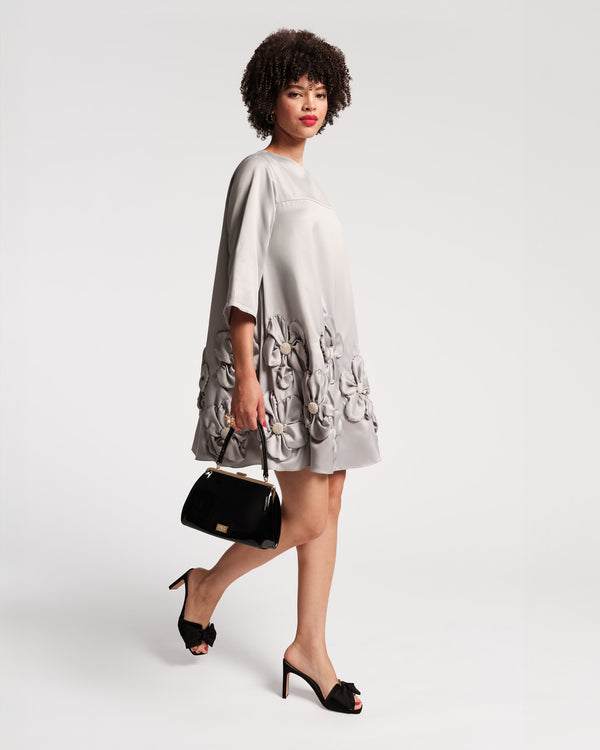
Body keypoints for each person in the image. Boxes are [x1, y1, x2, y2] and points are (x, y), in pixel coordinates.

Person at [170, 28, 381, 715]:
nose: (309, 104)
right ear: (270, 99)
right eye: (295, 91)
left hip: (327, 367)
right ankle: (206, 587)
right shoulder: (257, 172)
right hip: (281, 368)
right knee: (307, 514)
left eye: (319, 92)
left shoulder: (309, 183)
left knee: (330, 503)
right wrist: (246, 374)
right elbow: (241, 282)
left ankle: (309, 646)